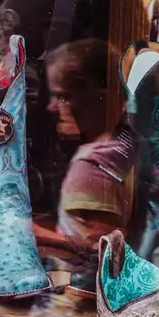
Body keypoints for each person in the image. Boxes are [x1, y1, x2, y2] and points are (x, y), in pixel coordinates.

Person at [44, 38, 136, 251]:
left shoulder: (92, 167)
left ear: (99, 97)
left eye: (63, 96)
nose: (52, 107)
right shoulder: (122, 146)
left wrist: (31, 232)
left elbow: (100, 249)